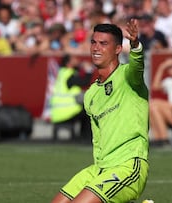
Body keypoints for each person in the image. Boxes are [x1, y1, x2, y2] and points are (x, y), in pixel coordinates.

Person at [51, 19, 149, 203]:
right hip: (100, 168)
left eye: (104, 44)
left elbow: (138, 66)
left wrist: (135, 44)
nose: (96, 48)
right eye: (93, 42)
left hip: (127, 165)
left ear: (118, 49)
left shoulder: (129, 77)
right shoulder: (91, 94)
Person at [49, 54, 93, 140]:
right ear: (68, 63)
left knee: (85, 111)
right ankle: (86, 138)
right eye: (74, 59)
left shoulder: (62, 73)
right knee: (89, 111)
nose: (77, 60)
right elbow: (85, 82)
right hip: (66, 112)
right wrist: (89, 70)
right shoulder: (69, 75)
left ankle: (83, 136)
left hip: (56, 113)